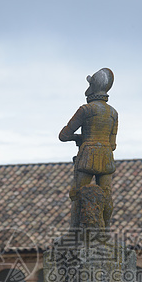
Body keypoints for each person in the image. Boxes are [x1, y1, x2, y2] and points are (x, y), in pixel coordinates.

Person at [59, 68, 118, 228]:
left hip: (87, 156)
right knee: (106, 194)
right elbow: (112, 144)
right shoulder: (113, 113)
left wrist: (79, 138)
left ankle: (75, 230)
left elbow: (64, 135)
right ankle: (105, 230)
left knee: (78, 193)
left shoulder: (85, 110)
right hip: (106, 157)